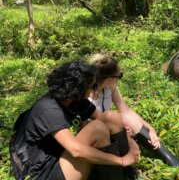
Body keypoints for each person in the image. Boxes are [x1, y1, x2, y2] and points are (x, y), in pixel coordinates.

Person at [9, 61, 140, 180]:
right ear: (78, 88)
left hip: (63, 155)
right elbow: (76, 150)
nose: (93, 90)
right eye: (92, 86)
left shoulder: (74, 100)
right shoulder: (48, 109)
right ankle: (117, 173)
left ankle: (127, 174)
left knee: (111, 116)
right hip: (47, 171)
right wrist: (120, 160)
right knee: (97, 129)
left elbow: (106, 119)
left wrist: (130, 142)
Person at [88, 53, 179, 167]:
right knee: (115, 122)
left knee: (125, 117)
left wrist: (150, 128)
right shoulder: (86, 93)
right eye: (120, 75)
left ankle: (163, 152)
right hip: (95, 133)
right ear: (108, 79)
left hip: (110, 124)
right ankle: (125, 164)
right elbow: (86, 124)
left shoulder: (110, 87)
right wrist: (119, 130)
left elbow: (126, 110)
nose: (120, 78)